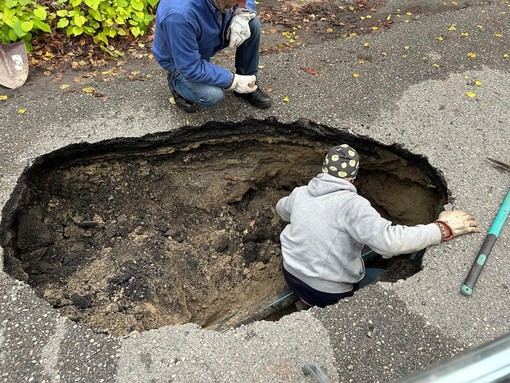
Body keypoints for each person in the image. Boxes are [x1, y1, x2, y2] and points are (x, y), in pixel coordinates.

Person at [276, 144, 480, 308]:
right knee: (379, 276)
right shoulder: (353, 206)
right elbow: (389, 243)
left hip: (290, 273)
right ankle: (324, 306)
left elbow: (281, 209)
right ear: (353, 178)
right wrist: (442, 229)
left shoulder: (300, 193)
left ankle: (305, 303)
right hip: (327, 291)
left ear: (324, 170)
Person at [152, 0, 272, 113]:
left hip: (209, 33)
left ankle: (248, 86)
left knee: (252, 24)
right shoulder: (179, 16)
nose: (242, 3)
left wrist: (243, 13)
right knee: (212, 95)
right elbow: (191, 67)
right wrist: (233, 81)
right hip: (179, 58)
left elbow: (246, 4)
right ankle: (176, 82)